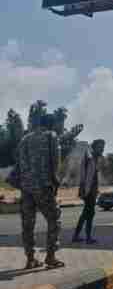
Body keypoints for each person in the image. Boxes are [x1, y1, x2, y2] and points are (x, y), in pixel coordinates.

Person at [17, 113, 63, 270]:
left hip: (26, 187)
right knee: (54, 219)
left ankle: (30, 259)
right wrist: (55, 181)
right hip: (43, 185)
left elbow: (20, 162)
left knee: (27, 224)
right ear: (51, 124)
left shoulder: (25, 139)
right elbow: (55, 161)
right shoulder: (51, 136)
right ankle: (51, 257)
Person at [72, 139, 106, 245]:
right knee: (89, 213)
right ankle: (87, 238)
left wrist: (96, 189)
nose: (102, 149)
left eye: (103, 147)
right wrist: (83, 189)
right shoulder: (89, 157)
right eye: (100, 147)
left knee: (86, 213)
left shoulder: (95, 158)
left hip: (92, 190)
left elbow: (94, 176)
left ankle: (77, 236)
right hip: (88, 190)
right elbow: (83, 174)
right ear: (94, 147)